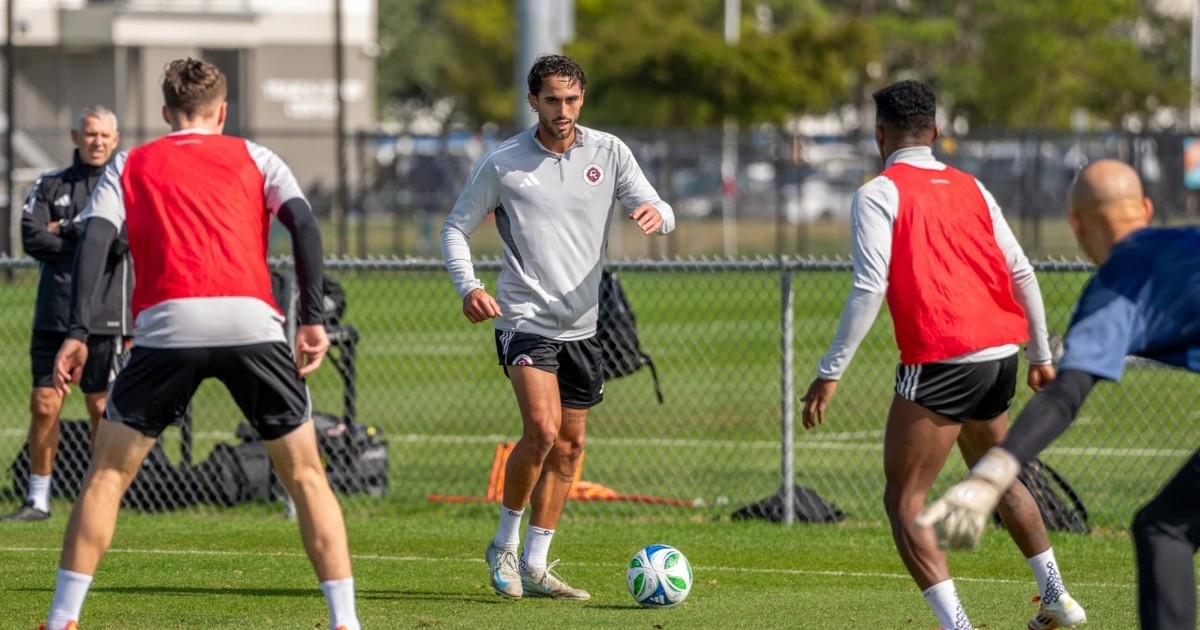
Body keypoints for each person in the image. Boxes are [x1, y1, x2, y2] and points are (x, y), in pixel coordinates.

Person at [39, 58, 360, 630]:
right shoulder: (257, 157)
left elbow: (95, 241)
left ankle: (63, 619)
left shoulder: (131, 163)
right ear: (223, 111)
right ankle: (345, 621)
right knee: (308, 477)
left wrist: (78, 332)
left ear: (166, 112)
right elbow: (305, 226)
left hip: (168, 326)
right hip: (252, 323)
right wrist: (311, 319)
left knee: (106, 476)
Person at [799, 80, 1085, 630]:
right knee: (997, 475)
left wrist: (829, 372)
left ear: (879, 135)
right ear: (934, 132)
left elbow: (869, 286)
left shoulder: (878, 193)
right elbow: (1022, 271)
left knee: (905, 501)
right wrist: (1039, 355)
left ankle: (958, 625)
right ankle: (1057, 598)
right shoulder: (973, 186)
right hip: (999, 354)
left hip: (941, 357)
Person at [919, 159, 1198, 630]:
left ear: (1076, 224)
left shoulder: (1117, 286)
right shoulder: (1189, 241)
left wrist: (991, 474)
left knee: (1164, 529)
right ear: (1147, 209)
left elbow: (1065, 396)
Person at [441, 53, 675, 600]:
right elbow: (455, 227)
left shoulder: (609, 152)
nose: (562, 110)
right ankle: (503, 546)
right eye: (551, 100)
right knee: (543, 431)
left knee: (570, 448)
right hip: (523, 319)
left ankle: (536, 564)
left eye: (571, 99)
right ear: (533, 102)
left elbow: (660, 206)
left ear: (582, 98)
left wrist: (657, 216)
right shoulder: (504, 162)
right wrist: (469, 286)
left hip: (584, 326)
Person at [4, 106, 129, 523]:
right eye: (90, 133)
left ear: (115, 139)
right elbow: (32, 238)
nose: (97, 141)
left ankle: (99, 497)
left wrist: (67, 228)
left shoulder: (124, 186)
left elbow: (121, 242)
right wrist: (90, 236)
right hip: (54, 316)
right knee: (44, 404)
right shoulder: (49, 183)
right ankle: (38, 499)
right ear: (76, 136)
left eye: (105, 135)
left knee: (100, 406)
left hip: (104, 316)